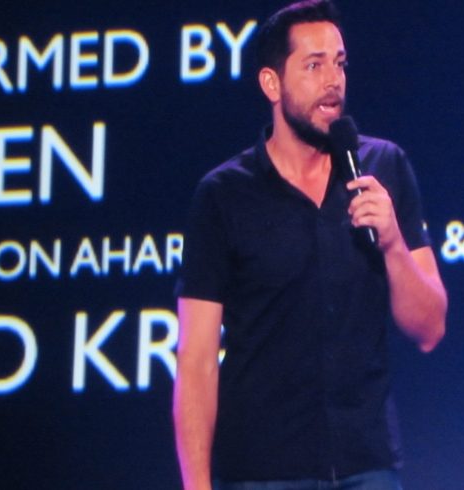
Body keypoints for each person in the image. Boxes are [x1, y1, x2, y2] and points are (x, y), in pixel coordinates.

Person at [173, 1, 447, 489]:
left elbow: (429, 328)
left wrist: (392, 244)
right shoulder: (223, 195)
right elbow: (195, 363)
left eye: (339, 63)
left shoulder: (383, 168)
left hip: (367, 465)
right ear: (271, 84)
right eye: (314, 65)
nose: (333, 81)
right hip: (263, 472)